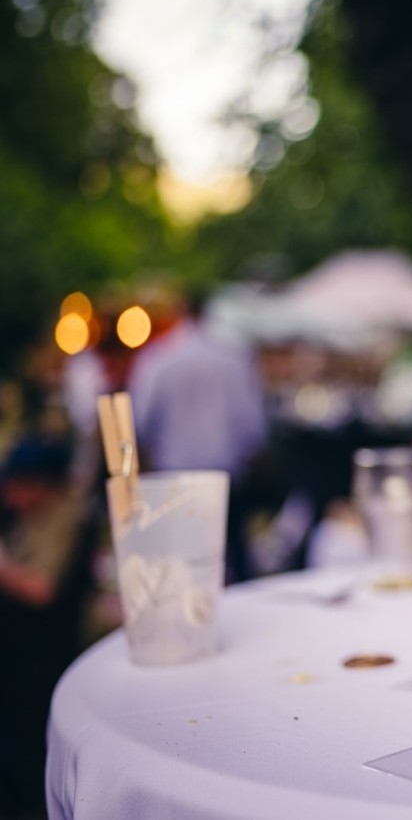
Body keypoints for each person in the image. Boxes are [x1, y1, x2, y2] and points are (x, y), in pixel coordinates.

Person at [128, 290, 268, 582]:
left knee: (179, 559)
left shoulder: (159, 358)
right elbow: (253, 422)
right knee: (232, 552)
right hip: (225, 470)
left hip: (173, 474)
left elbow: (140, 418)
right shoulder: (231, 358)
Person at [0, 434, 94, 817]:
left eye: (18, 485)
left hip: (37, 654)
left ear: (43, 485)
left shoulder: (66, 517)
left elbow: (42, 590)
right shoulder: (31, 514)